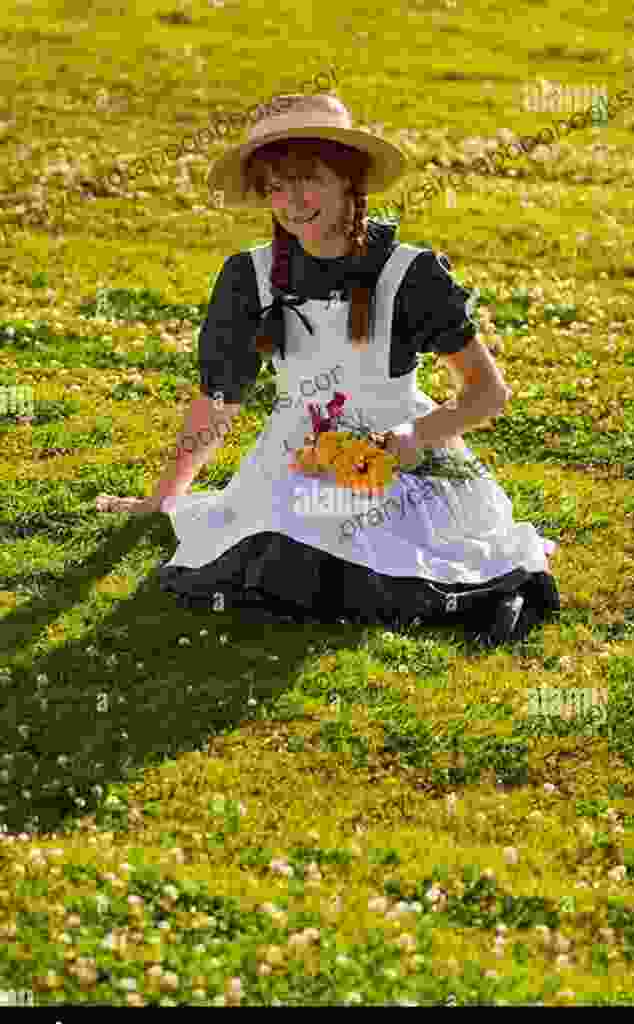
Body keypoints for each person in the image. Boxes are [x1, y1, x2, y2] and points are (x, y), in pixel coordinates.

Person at [96, 93, 560, 644]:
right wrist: (164, 497)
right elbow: (220, 396)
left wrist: (413, 439)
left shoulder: (410, 272)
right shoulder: (251, 276)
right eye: (275, 186)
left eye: (306, 179)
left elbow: (488, 393)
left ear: (348, 179)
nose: (291, 202)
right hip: (295, 459)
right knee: (286, 539)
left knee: (373, 556)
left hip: (401, 457)